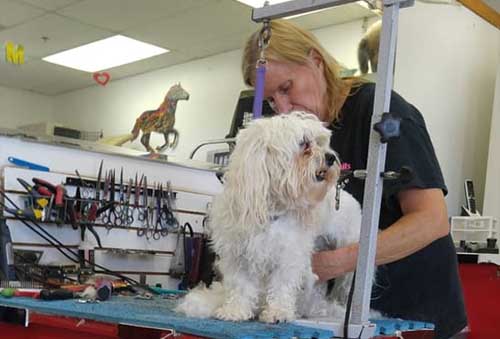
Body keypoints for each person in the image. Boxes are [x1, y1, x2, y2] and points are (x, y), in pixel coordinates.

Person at [241, 19, 467, 339]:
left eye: (286, 88)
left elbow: (432, 221)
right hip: (348, 317)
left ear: (315, 61)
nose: (282, 108)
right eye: (271, 101)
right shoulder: (301, 138)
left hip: (416, 316)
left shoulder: (381, 111)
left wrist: (332, 263)